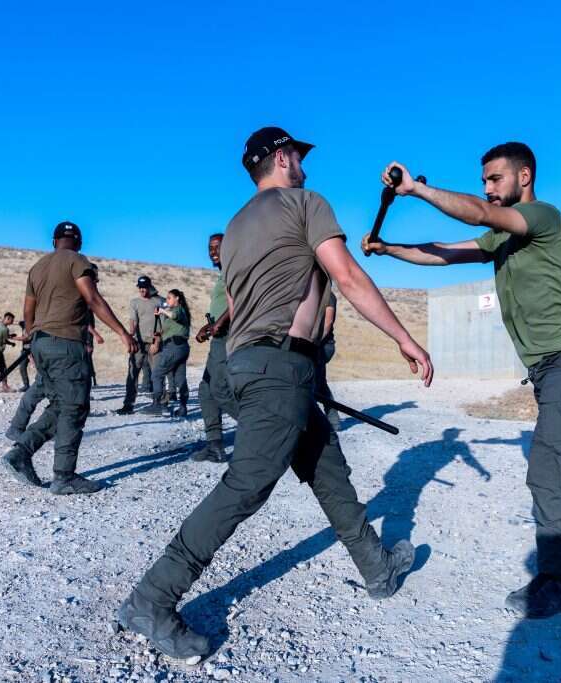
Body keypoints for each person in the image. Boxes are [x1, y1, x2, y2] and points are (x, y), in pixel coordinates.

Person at [117, 126, 433, 662]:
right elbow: (348, 276)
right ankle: (152, 598)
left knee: (328, 469)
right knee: (247, 485)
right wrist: (404, 338)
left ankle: (376, 568)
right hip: (279, 366)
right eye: (299, 156)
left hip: (251, 366)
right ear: (283, 157)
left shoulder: (237, 226)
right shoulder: (306, 202)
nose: (304, 165)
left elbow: (237, 307)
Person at [362, 142, 561, 619]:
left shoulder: (542, 217)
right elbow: (444, 254)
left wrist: (416, 189)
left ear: (524, 176)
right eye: (484, 181)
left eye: (495, 179)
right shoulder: (502, 237)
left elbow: (474, 217)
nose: (486, 188)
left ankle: (556, 584)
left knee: (550, 464)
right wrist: (389, 249)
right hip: (552, 364)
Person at [0, 221, 137, 495]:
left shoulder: (38, 267)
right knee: (74, 408)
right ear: (79, 242)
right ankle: (64, 476)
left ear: (53, 241)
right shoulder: (77, 261)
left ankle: (20, 452)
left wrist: (34, 340)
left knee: (60, 406)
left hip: (41, 343)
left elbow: (28, 309)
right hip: (66, 345)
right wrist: (122, 332)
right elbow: (93, 299)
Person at [192, 232, 239, 462]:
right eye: (210, 247)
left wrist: (219, 323)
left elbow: (238, 300)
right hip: (220, 334)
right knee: (206, 389)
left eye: (217, 247)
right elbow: (223, 306)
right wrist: (208, 326)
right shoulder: (223, 274)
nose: (213, 251)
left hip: (230, 336)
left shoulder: (234, 268)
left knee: (219, 388)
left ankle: (263, 432)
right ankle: (215, 444)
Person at [115, 276, 166, 415]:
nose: (142, 290)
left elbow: (163, 323)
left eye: (144, 287)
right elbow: (133, 320)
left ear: (150, 286)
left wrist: (157, 342)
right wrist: (130, 336)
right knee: (132, 373)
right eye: (140, 287)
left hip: (154, 343)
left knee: (157, 374)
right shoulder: (135, 302)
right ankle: (128, 404)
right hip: (138, 343)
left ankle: (158, 403)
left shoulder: (160, 301)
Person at [140, 289, 191, 417]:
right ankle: (183, 407)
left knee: (157, 374)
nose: (167, 300)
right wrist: (159, 335)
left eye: (169, 298)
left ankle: (157, 404)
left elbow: (174, 316)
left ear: (177, 298)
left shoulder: (178, 310)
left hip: (174, 347)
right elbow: (171, 328)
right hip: (180, 347)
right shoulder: (177, 312)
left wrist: (162, 310)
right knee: (180, 378)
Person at [316, 291, 340, 430]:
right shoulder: (312, 293)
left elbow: (328, 322)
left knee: (312, 382)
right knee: (320, 384)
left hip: (323, 346)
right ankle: (333, 420)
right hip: (316, 345)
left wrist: (314, 342)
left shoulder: (328, 296)